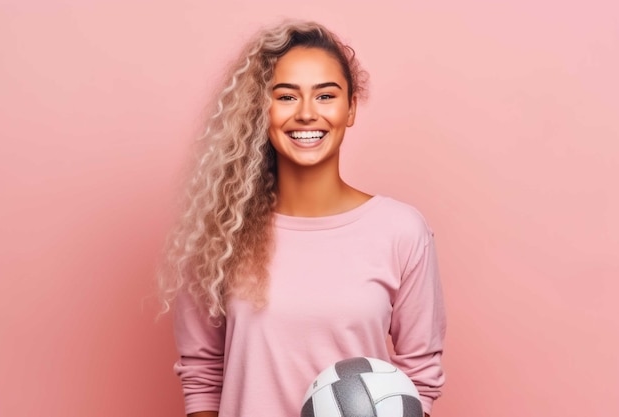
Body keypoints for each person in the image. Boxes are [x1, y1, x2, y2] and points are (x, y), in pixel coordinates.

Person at [160, 20, 446, 417]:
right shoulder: (221, 231)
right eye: (286, 96)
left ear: (351, 109)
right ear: (261, 109)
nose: (308, 114)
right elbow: (203, 375)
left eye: (326, 95)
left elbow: (420, 377)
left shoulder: (401, 231)